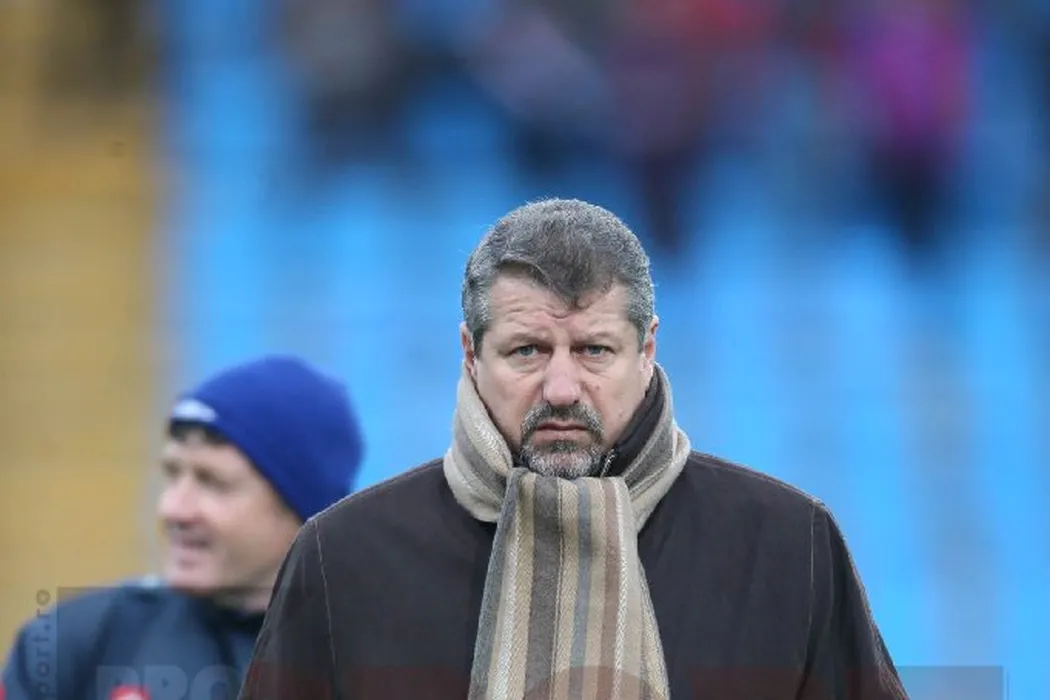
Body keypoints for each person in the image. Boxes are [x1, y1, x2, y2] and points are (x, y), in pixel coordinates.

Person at [240, 199, 909, 699]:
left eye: (594, 350)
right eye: (527, 351)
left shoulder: (789, 546)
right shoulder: (343, 559)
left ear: (647, 350)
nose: (561, 388)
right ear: (470, 354)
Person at [1, 354, 365, 700]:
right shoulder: (77, 642)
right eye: (172, 474)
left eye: (213, 482)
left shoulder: (370, 659)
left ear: (304, 514)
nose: (173, 509)